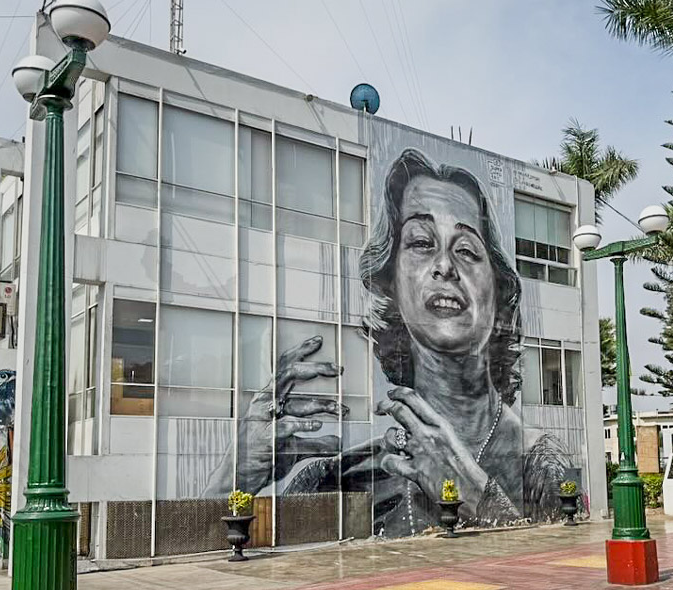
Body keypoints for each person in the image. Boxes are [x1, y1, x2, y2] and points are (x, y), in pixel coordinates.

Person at [214, 148, 569, 537]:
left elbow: (561, 562)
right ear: (391, 282)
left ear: (499, 291)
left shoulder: (540, 462)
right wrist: (236, 477)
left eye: (467, 250)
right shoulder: (337, 477)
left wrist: (478, 498)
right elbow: (210, 556)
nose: (445, 266)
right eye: (421, 243)